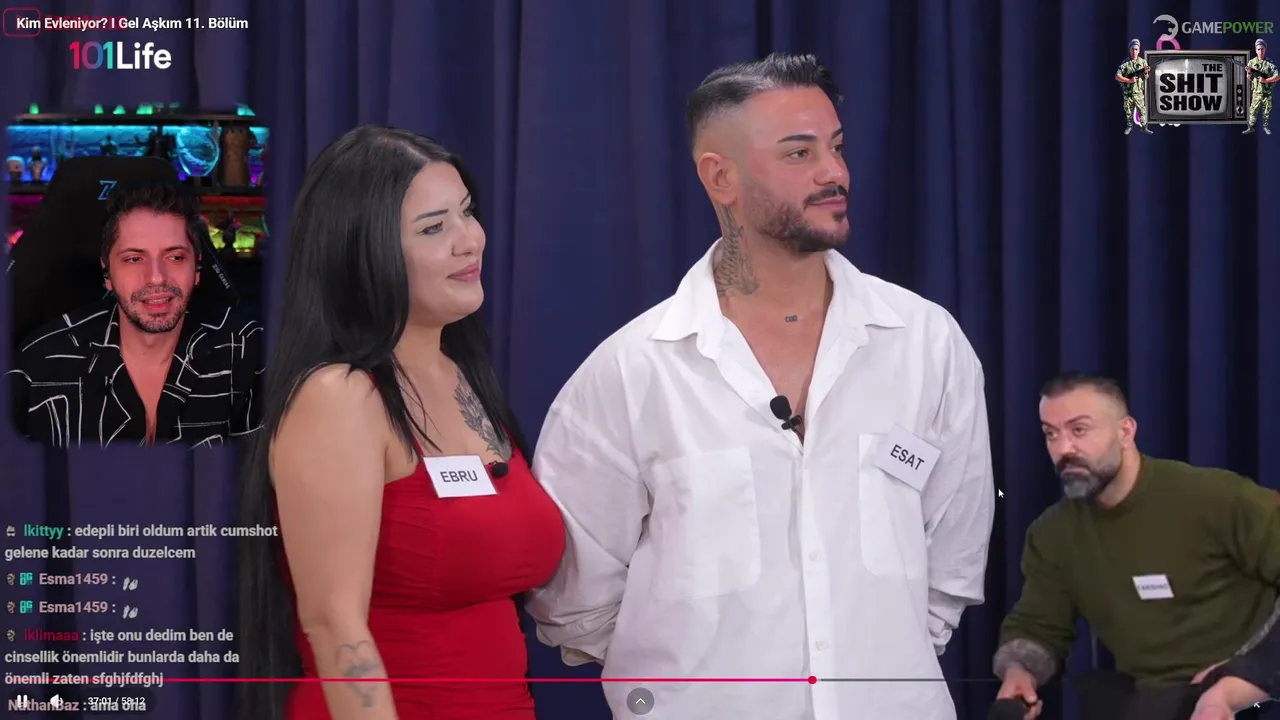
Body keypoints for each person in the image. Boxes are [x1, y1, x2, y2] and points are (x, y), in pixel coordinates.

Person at [525, 52, 995, 720]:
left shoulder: (925, 343)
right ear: (721, 177)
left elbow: (953, 554)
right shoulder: (631, 372)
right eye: (800, 153)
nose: (834, 173)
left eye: (836, 147)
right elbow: (575, 599)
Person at [235, 126, 566, 720]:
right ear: (364, 254)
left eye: (467, 212)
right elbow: (332, 621)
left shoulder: (462, 374)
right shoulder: (339, 396)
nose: (470, 241)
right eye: (434, 228)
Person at [993, 373, 1279, 720]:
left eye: (1079, 430)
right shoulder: (1053, 534)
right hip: (1153, 701)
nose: (1063, 449)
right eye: (1051, 434)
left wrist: (1242, 678)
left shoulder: (1214, 497)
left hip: (1255, 695)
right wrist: (1020, 672)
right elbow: (1039, 625)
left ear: (1126, 432)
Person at [7, 180, 262, 447]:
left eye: (175, 257)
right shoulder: (40, 365)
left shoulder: (246, 352)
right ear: (107, 273)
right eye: (134, 259)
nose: (156, 278)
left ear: (197, 269)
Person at [1116, 39, 1154, 136]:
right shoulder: (1125, 63)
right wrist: (1129, 80)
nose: (1134, 51)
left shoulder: (1143, 62)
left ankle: (1144, 127)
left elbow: (1146, 78)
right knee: (1128, 110)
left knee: (1142, 111)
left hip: (1138, 92)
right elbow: (1117, 76)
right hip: (1128, 92)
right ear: (1129, 50)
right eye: (1132, 49)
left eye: (1136, 49)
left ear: (1139, 50)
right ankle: (1129, 126)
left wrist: (1146, 72)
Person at [1243, 38, 1276, 136]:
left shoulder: (1270, 63)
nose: (1260, 51)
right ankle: (1250, 128)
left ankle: (1266, 127)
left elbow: (1277, 76)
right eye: (1258, 49)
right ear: (1256, 50)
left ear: (1265, 50)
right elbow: (1249, 78)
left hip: (1267, 93)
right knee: (1253, 112)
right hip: (1256, 92)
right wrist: (1249, 73)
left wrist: (1266, 80)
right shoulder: (1251, 62)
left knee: (1266, 112)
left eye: (1262, 49)